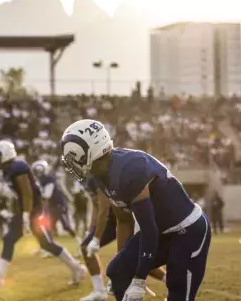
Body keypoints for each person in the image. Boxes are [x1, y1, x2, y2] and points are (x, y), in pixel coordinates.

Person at [61, 119, 211, 301]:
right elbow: (123, 221)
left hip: (187, 229)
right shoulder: (101, 173)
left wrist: (139, 279)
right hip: (161, 230)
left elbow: (149, 229)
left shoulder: (130, 169)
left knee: (178, 292)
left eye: (74, 156)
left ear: (90, 150)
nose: (72, 163)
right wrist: (124, 261)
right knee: (117, 272)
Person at [0, 140, 85, 286]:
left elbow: (27, 193)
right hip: (28, 209)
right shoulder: (9, 169)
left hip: (33, 210)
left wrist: (25, 215)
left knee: (30, 241)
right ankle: (76, 268)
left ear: (4, 155)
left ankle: (77, 268)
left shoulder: (18, 167)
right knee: (41, 243)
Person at [80, 176, 166, 301]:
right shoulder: (89, 177)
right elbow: (97, 206)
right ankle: (99, 290)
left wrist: (97, 238)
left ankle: (175, 284)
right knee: (130, 260)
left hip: (121, 218)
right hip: (117, 219)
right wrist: (91, 229)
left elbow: (104, 207)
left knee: (137, 258)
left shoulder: (100, 173)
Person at [31, 160, 82, 246]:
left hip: (58, 205)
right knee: (48, 226)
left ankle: (80, 243)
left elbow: (47, 195)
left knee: (64, 226)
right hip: (54, 205)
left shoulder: (48, 180)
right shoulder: (45, 179)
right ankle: (48, 246)